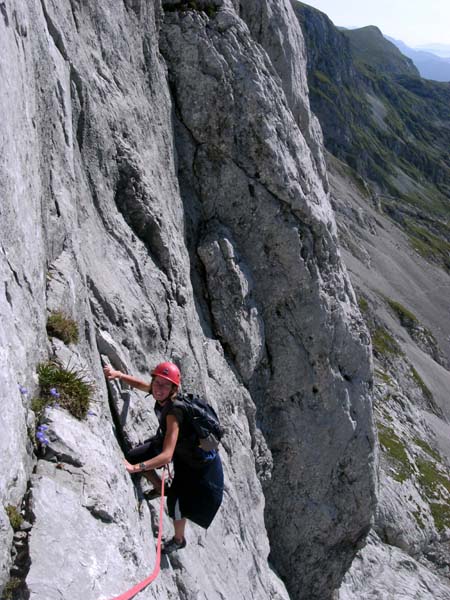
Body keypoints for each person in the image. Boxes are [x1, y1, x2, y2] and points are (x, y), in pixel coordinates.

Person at [103, 361, 224, 554]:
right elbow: (144, 386)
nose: (159, 388)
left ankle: (178, 539)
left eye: (165, 385)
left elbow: (167, 456)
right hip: (175, 447)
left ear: (173, 388)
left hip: (192, 463)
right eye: (157, 383)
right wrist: (118, 374)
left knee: (176, 503)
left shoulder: (174, 412)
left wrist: (135, 469)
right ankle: (160, 487)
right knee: (134, 456)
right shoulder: (161, 394)